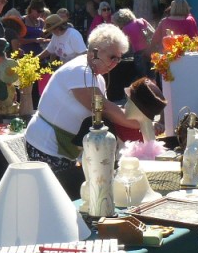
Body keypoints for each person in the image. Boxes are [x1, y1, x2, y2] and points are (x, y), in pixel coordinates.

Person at [25, 25, 141, 194]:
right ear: (95, 51)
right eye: (112, 57)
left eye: (119, 59)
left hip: (63, 149)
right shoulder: (80, 71)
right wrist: (141, 123)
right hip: (45, 145)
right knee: (57, 199)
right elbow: (104, 109)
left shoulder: (97, 77)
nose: (115, 63)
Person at [113, 8, 154, 76]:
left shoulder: (125, 29)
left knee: (142, 76)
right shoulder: (141, 20)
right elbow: (153, 32)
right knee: (152, 75)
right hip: (150, 51)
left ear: (120, 21)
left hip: (139, 54)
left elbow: (124, 46)